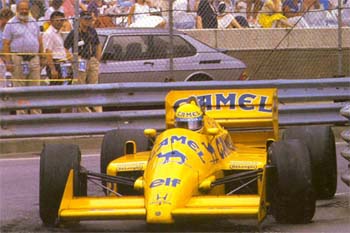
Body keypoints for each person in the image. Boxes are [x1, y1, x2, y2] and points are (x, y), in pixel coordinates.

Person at [2, 0, 43, 114]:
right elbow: (6, 44)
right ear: (17, 10)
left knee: (35, 88)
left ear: (29, 10)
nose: (24, 11)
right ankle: (22, 117)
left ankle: (36, 117)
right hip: (18, 58)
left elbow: (39, 39)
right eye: (22, 9)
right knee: (20, 89)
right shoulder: (10, 24)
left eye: (26, 9)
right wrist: (8, 62)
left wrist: (42, 55)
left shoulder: (34, 22)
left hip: (34, 58)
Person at [64, 11, 102, 113]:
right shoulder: (75, 32)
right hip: (81, 60)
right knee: (80, 86)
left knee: (94, 86)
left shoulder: (92, 31)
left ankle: (97, 111)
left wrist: (97, 59)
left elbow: (98, 45)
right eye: (86, 19)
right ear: (80, 20)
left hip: (92, 59)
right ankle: (85, 111)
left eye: (89, 19)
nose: (88, 21)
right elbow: (65, 47)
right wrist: (71, 58)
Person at [43, 11, 72, 85]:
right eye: (57, 20)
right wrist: (53, 69)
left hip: (62, 64)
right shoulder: (49, 33)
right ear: (51, 21)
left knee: (64, 87)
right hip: (55, 64)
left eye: (61, 20)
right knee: (56, 88)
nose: (59, 22)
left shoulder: (58, 33)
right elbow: (48, 52)